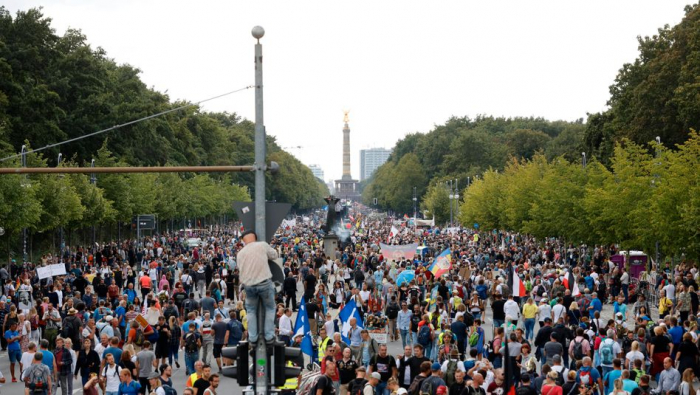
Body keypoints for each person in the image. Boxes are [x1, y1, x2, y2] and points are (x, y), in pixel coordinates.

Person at [237, 230, 278, 343]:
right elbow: (274, 255)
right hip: (264, 282)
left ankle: (253, 337)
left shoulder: (240, 253)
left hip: (249, 285)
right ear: (255, 237)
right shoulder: (262, 245)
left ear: (244, 241)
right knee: (270, 308)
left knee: (251, 310)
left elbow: (240, 268)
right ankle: (269, 336)